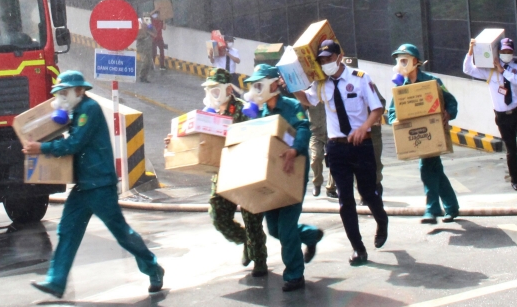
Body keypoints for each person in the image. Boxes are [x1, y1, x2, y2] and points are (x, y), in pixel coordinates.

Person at [24, 71, 164, 298]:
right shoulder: (76, 112)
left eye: (65, 93)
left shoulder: (88, 110)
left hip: (99, 186)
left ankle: (153, 267)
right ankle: (56, 281)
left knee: (121, 233)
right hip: (83, 186)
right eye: (59, 94)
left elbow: (74, 145)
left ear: (80, 90)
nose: (62, 98)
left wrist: (41, 148)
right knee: (67, 231)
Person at [164, 68, 268, 276]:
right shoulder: (206, 115)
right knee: (218, 216)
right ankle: (245, 241)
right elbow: (192, 137)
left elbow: (258, 135)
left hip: (245, 170)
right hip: (221, 172)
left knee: (251, 217)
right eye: (209, 89)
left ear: (228, 89)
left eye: (216, 89)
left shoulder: (244, 110)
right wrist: (173, 140)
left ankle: (259, 259)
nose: (212, 93)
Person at [296, 41, 388, 266]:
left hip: (361, 145)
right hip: (336, 147)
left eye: (329, 58)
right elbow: (307, 100)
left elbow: (377, 109)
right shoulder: (321, 84)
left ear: (340, 57)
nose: (326, 63)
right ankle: (358, 248)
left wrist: (363, 127)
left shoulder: (360, 78)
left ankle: (382, 220)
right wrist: (293, 86)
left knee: (368, 192)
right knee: (345, 200)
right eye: (322, 60)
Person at [242, 64, 323, 292]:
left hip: (292, 175)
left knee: (286, 229)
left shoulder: (292, 106)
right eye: (254, 85)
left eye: (260, 83)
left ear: (275, 83)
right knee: (275, 230)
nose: (257, 89)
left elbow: (304, 128)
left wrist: (295, 150)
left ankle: (294, 275)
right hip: (270, 177)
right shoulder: (259, 114)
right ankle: (311, 235)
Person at [385, 44, 460, 225]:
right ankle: (451, 207)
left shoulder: (432, 82)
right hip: (414, 135)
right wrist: (396, 121)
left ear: (416, 62)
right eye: (399, 60)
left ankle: (432, 209)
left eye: (405, 60)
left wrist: (448, 113)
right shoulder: (400, 89)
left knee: (426, 168)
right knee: (436, 171)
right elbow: (391, 113)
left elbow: (451, 102)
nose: (401, 64)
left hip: (433, 133)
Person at [463, 37, 517, 193]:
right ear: (498, 52)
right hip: (502, 116)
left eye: (509, 51)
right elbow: (468, 69)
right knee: (511, 149)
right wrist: (471, 51)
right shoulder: (489, 70)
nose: (506, 53)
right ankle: (514, 179)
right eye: (504, 51)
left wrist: (503, 70)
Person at [135, 16, 154, 83]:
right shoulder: (139, 26)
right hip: (142, 47)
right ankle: (141, 75)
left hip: (148, 46)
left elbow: (155, 34)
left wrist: (148, 32)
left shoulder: (150, 26)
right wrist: (142, 35)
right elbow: (136, 37)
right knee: (145, 61)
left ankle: (145, 77)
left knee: (149, 63)